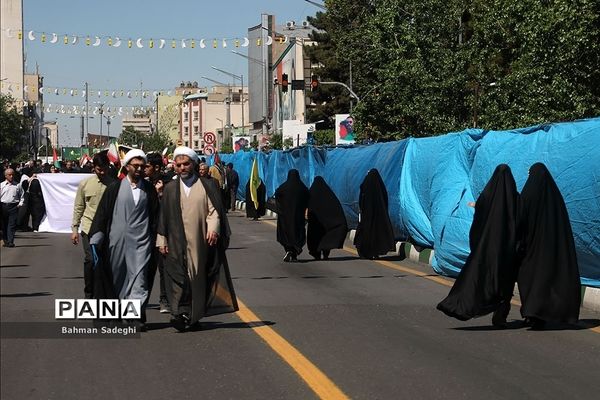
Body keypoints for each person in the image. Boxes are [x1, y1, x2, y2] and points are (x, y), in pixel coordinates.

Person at [157, 146, 238, 331]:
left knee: (196, 278)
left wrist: (213, 229)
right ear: (175, 167)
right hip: (176, 242)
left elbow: (213, 211)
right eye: (179, 165)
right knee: (178, 276)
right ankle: (179, 313)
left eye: (186, 164)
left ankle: (193, 316)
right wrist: (162, 240)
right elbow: (164, 217)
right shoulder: (170, 189)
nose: (182, 168)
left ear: (193, 164)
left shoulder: (206, 185)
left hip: (199, 242)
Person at [436, 164, 520, 327]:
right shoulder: (516, 199)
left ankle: (482, 304)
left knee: (484, 278)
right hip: (508, 251)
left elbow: (479, 221)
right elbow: (522, 224)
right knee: (505, 283)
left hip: (487, 250)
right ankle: (501, 313)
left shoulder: (487, 197)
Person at [88, 150, 159, 330]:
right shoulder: (115, 188)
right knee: (118, 278)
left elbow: (156, 216)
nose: (139, 169)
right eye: (135, 166)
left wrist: (160, 238)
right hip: (117, 242)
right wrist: (96, 237)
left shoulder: (149, 189)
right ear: (127, 167)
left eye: (142, 166)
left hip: (142, 242)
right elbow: (103, 214)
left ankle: (135, 317)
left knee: (139, 278)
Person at [517, 163, 581, 329]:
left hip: (531, 249)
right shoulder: (556, 200)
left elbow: (519, 218)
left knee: (530, 280)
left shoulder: (527, 195)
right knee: (545, 282)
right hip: (551, 251)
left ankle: (532, 314)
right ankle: (541, 315)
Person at [71, 152, 117, 299]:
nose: (102, 172)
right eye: (99, 169)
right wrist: (75, 229)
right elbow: (79, 207)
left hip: (109, 230)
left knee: (107, 263)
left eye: (104, 169)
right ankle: (89, 294)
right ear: (94, 168)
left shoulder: (114, 184)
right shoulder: (85, 184)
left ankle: (105, 295)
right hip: (88, 229)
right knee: (91, 260)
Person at [144, 152, 170, 313]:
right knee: (145, 270)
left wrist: (160, 194)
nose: (144, 169)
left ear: (157, 167)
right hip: (146, 232)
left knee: (164, 268)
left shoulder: (169, 184)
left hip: (163, 232)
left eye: (147, 166)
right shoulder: (143, 184)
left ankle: (164, 300)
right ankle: (142, 300)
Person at [353, 169, 395, 259]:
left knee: (366, 233)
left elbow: (361, 200)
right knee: (377, 233)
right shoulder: (381, 188)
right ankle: (375, 252)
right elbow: (385, 201)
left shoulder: (365, 185)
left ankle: (365, 253)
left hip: (367, 216)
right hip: (379, 217)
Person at [307, 176, 348, 260]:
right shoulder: (328, 194)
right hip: (327, 223)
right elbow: (336, 208)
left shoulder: (312, 192)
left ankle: (316, 254)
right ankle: (325, 253)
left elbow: (308, 205)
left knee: (314, 237)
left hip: (315, 223)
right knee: (326, 235)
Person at [275, 169, 309, 262]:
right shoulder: (302, 187)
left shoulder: (284, 187)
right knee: (298, 233)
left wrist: (281, 207)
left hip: (285, 217)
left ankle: (288, 250)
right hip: (298, 217)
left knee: (286, 233)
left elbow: (277, 194)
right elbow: (308, 197)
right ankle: (294, 253)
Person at [0, 168, 24, 247]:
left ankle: (10, 241)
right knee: (4, 225)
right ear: (5, 176)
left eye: (13, 174)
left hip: (13, 207)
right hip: (3, 206)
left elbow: (22, 196)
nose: (11, 176)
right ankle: (5, 240)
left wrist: (20, 204)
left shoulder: (17, 185)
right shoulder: (1, 185)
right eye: (9, 175)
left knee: (12, 224)